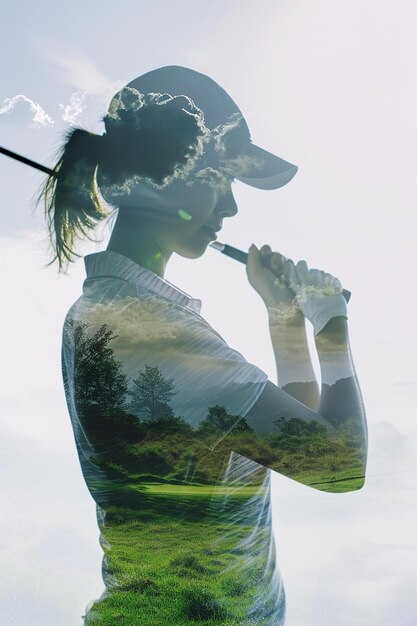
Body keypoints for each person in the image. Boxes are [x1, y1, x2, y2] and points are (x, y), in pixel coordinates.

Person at [41, 65, 368, 625]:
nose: (234, 209)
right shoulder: (149, 331)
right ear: (167, 177)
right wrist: (332, 330)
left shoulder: (115, 310)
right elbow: (336, 466)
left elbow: (294, 434)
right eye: (223, 180)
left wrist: (285, 320)